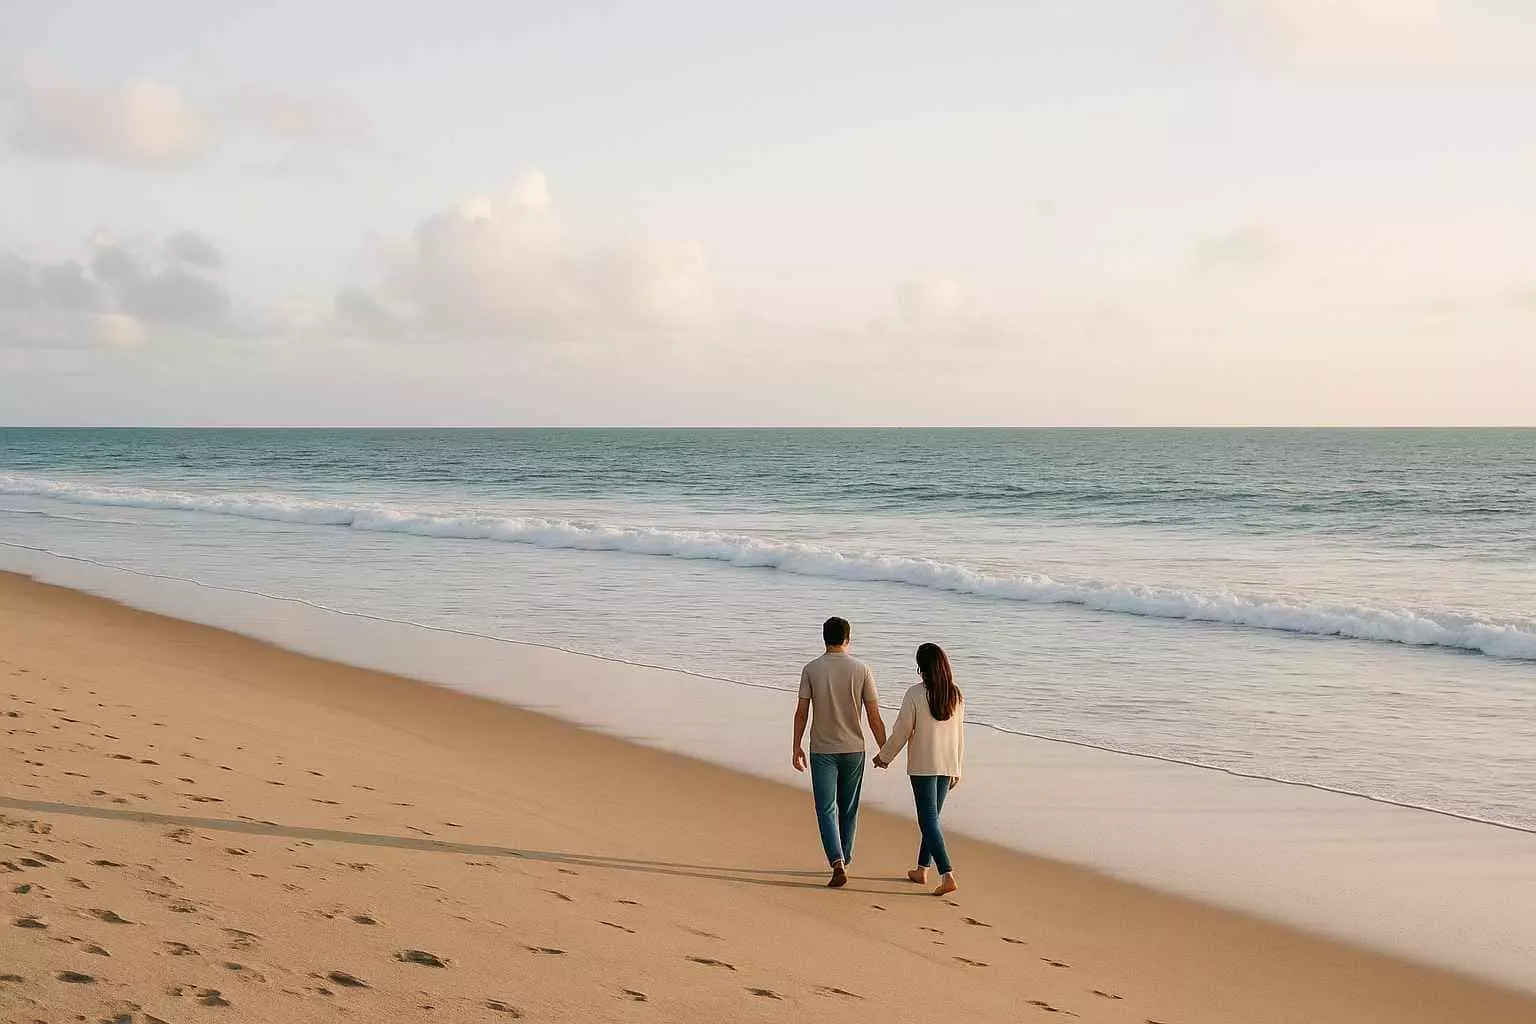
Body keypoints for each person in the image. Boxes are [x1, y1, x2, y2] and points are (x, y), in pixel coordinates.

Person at [793, 616, 886, 888]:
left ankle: (837, 861)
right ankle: (845, 858)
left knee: (826, 808)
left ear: (824, 639)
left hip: (822, 749)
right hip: (854, 749)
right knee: (848, 808)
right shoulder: (862, 669)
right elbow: (874, 717)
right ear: (848, 639)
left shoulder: (811, 669)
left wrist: (796, 745)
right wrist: (886, 750)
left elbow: (801, 713)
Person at [873, 642, 965, 896]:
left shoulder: (915, 694)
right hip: (947, 764)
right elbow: (959, 735)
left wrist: (884, 756)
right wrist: (957, 768)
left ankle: (947, 874)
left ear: (922, 668)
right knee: (931, 820)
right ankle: (922, 869)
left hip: (924, 765)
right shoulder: (955, 694)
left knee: (928, 821)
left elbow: (902, 730)